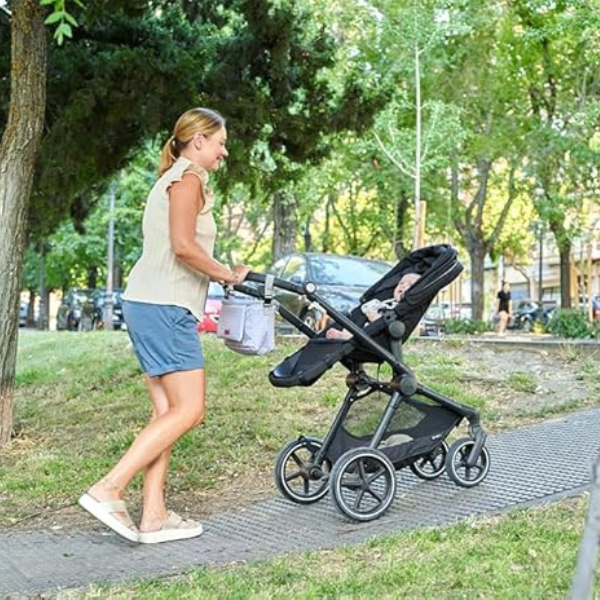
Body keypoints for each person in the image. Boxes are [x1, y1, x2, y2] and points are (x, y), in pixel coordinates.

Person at [79, 107, 250, 544]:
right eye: (219, 142)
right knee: (190, 410)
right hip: (164, 307)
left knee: (167, 413)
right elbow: (183, 247)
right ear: (198, 141)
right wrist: (226, 274)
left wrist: (220, 270)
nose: (223, 152)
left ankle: (153, 514)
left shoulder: (173, 177)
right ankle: (109, 488)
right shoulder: (187, 178)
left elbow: (182, 247)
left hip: (149, 303)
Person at [325, 272, 421, 341]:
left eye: (410, 285)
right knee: (355, 318)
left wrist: (377, 319)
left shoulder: (403, 307)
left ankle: (348, 336)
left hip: (379, 333)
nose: (403, 286)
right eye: (401, 283)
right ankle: (345, 334)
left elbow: (394, 323)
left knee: (369, 326)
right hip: (364, 323)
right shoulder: (389, 301)